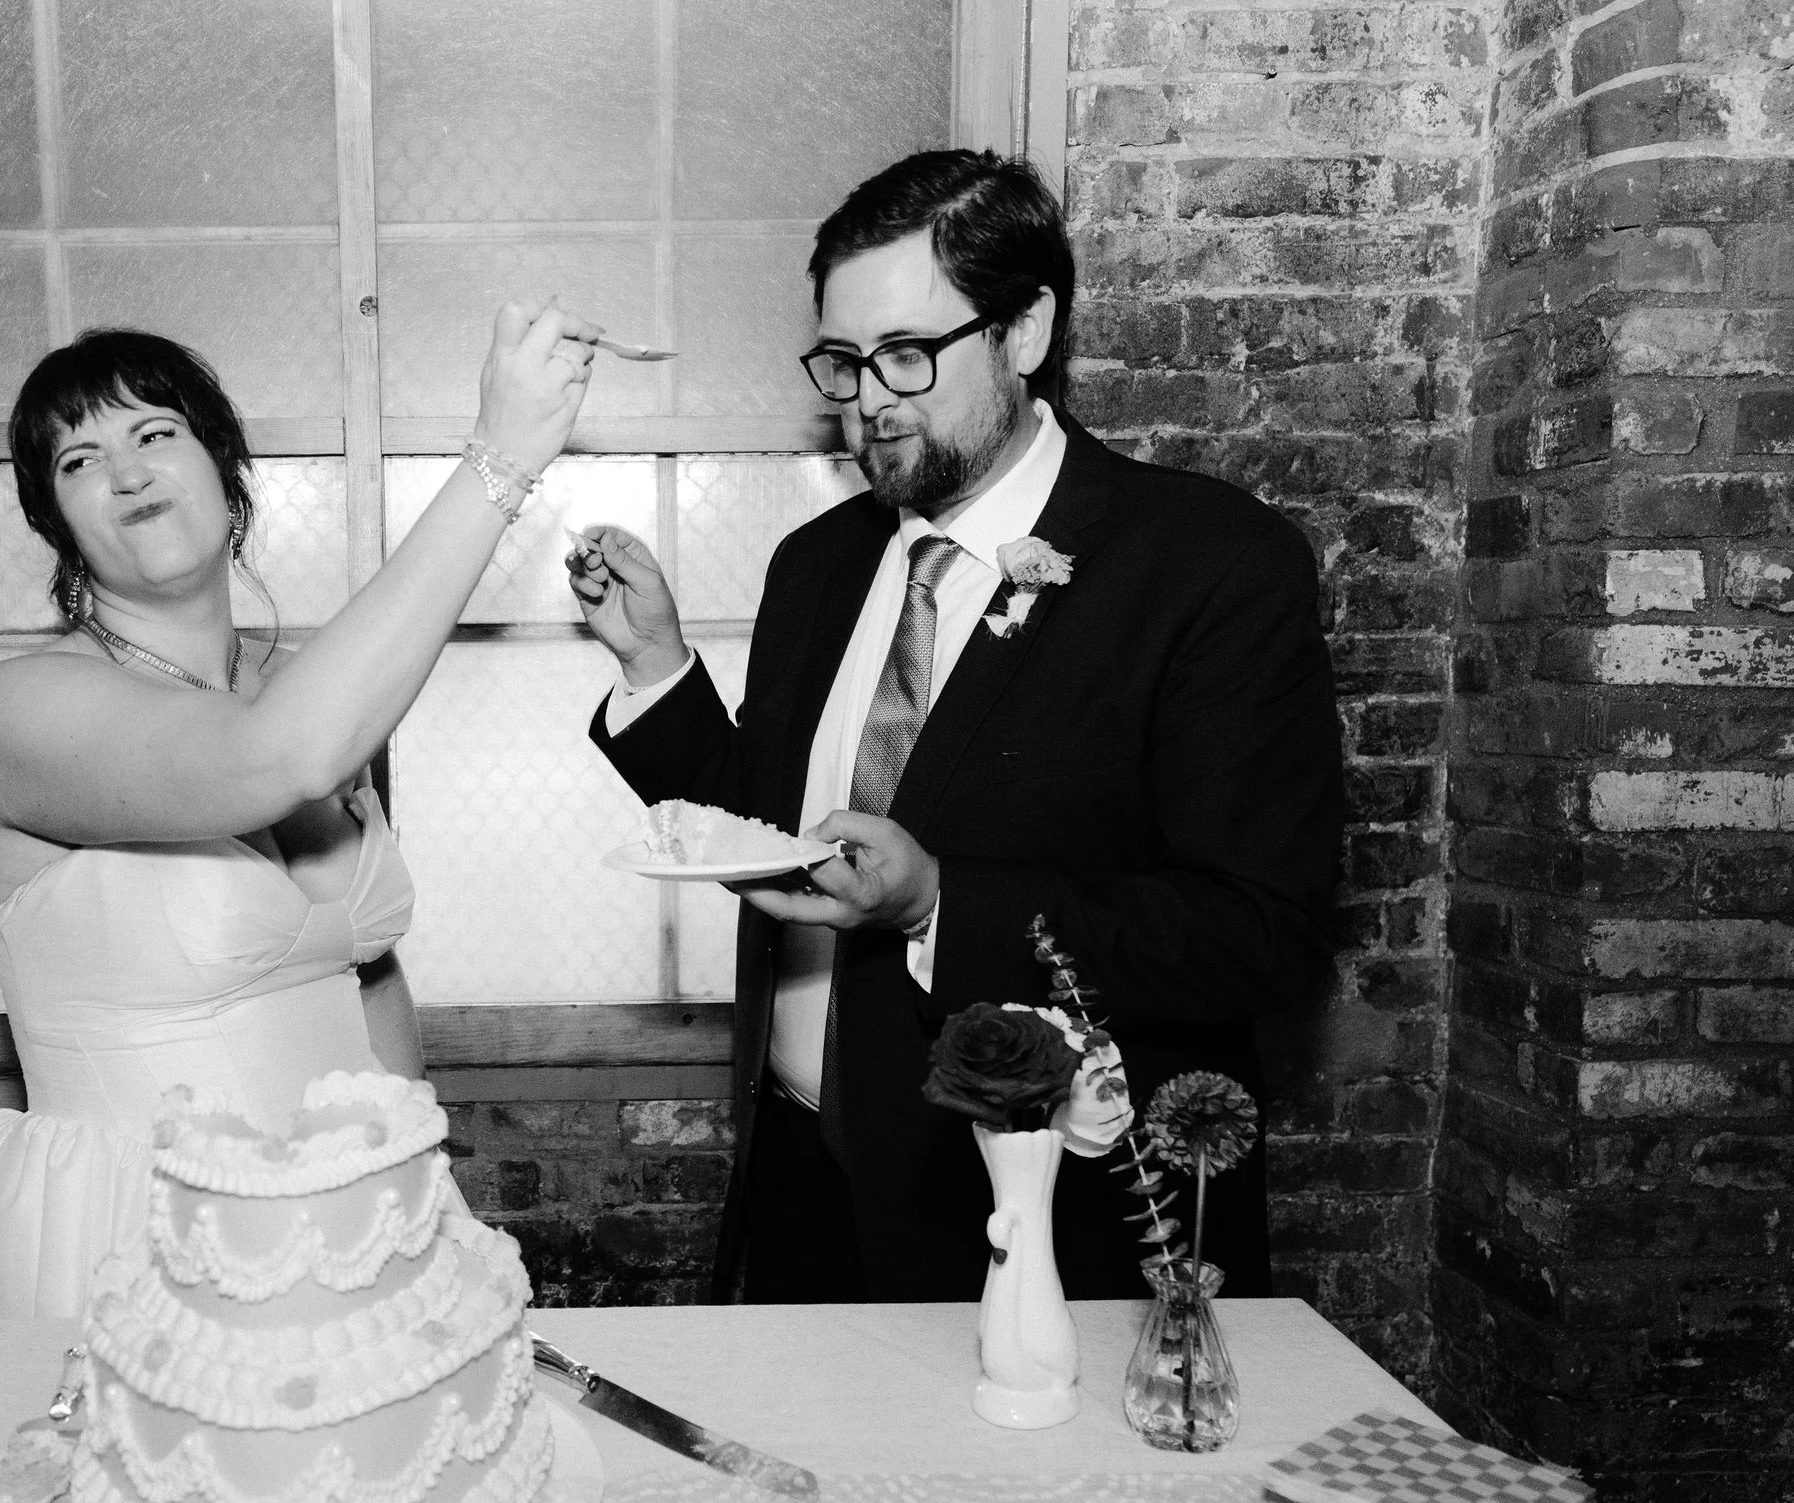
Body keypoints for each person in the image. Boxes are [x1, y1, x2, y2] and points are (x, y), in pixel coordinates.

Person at [567, 150, 1342, 1305]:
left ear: (1025, 330)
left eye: (907, 354)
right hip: (799, 1180)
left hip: (1035, 1214)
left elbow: (1259, 932)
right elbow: (786, 836)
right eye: (843, 360)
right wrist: (655, 668)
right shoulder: (817, 565)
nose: (868, 398)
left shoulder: (1210, 564)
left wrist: (941, 904)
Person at [0, 303, 598, 1320]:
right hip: (135, 1240)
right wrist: (498, 460)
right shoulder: (17, 709)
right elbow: (276, 759)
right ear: (53, 520)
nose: (128, 472)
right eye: (79, 461)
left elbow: (356, 963)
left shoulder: (296, 684)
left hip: (355, 1215)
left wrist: (420, 1175)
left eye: (155, 434)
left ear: (224, 468)